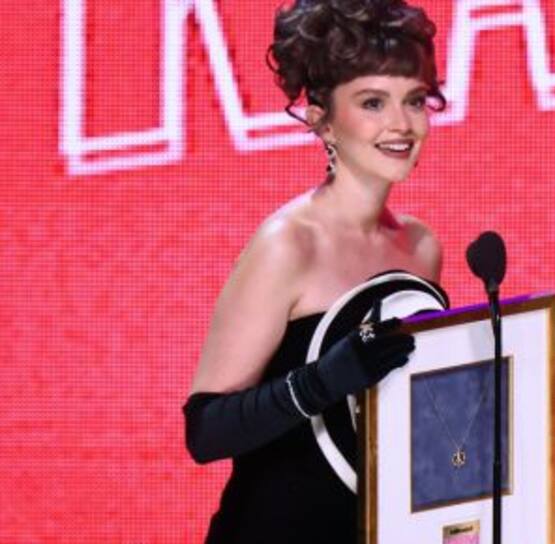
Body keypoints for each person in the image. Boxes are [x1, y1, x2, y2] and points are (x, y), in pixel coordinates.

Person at [182, 1, 444, 541]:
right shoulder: (289, 245)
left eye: (415, 101)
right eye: (372, 102)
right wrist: (322, 381)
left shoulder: (421, 248)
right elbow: (206, 432)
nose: (401, 124)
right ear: (321, 119)